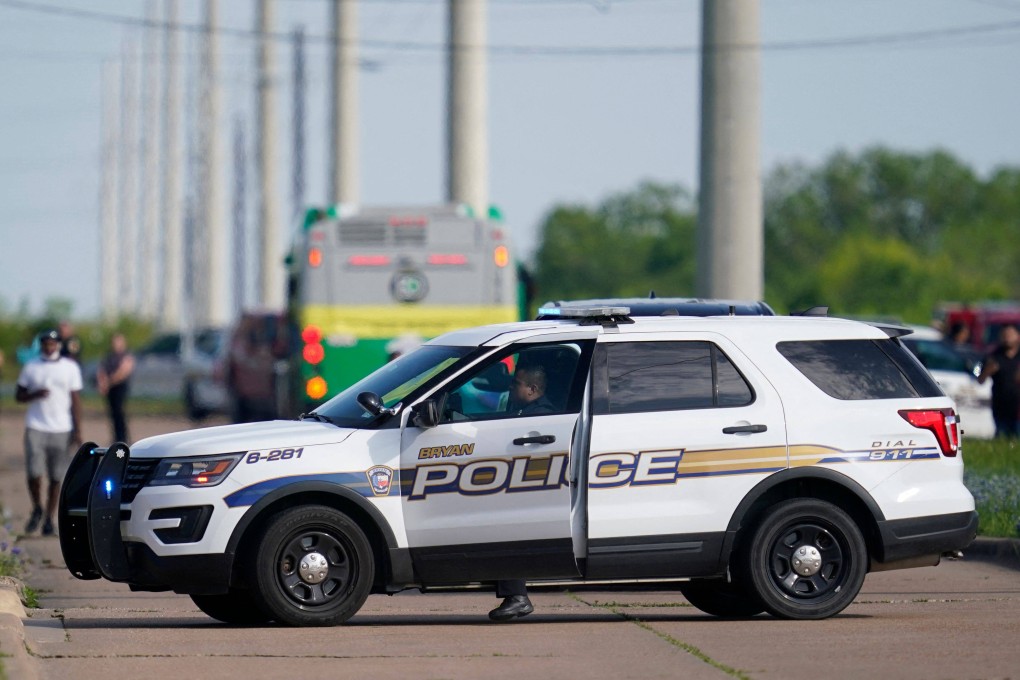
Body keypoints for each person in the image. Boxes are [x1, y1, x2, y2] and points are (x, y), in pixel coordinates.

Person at [488, 362, 554, 622]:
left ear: (532, 389)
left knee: (505, 528)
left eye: (516, 383)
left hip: (531, 493)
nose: (510, 386)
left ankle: (517, 597)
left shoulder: (539, 416)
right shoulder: (525, 411)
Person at [15, 328, 83, 536]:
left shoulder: (69, 367)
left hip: (61, 427)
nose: (49, 346)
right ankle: (37, 506)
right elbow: (19, 395)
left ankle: (48, 518)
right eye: (45, 343)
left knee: (56, 476)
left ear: (58, 346)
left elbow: (75, 400)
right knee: (34, 472)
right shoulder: (32, 367)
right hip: (36, 425)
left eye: (52, 343)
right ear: (42, 345)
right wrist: (34, 394)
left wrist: (77, 430)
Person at [978, 323, 1020, 439]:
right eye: (1004, 335)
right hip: (1000, 405)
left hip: (1017, 407)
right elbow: (979, 379)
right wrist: (988, 370)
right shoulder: (993, 356)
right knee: (1002, 436)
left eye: (1010, 334)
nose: (1007, 338)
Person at [96, 333, 135, 443]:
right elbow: (101, 370)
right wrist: (102, 383)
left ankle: (123, 438)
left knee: (120, 412)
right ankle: (116, 438)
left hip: (120, 387)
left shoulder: (126, 356)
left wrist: (108, 382)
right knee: (112, 413)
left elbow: (123, 372)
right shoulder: (109, 356)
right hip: (110, 389)